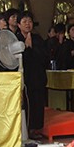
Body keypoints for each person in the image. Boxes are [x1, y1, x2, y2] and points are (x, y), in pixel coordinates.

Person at [16, 11, 48, 139]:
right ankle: (25, 129)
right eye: (24, 22)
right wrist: (26, 48)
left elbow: (44, 56)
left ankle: (36, 129)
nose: (27, 24)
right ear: (19, 25)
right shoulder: (16, 38)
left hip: (38, 75)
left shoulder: (37, 38)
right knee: (26, 102)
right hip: (25, 77)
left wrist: (31, 48)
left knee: (38, 103)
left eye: (29, 21)